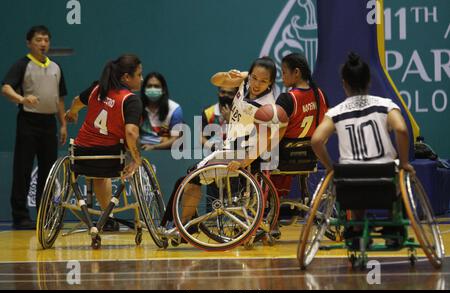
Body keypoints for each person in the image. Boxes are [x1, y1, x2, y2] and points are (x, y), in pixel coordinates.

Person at [162, 57, 286, 239]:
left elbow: (267, 140)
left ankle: (185, 228)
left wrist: (244, 161)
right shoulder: (245, 81)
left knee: (191, 178)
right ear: (250, 74)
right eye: (254, 78)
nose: (257, 84)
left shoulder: (267, 107)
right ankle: (186, 225)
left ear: (271, 83)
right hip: (231, 145)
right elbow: (215, 81)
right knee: (188, 177)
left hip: (242, 152)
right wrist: (226, 75)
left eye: (263, 81)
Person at [311, 52, 415, 247]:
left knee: (354, 187)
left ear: (344, 83)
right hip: (384, 178)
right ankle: (394, 227)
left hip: (350, 182)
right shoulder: (385, 105)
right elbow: (401, 129)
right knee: (398, 177)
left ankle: (357, 230)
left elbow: (316, 140)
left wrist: (331, 168)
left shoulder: (335, 112)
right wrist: (405, 162)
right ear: (368, 81)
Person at [65, 54, 143, 231]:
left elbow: (77, 101)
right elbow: (131, 133)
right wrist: (137, 159)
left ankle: (107, 216)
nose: (141, 78)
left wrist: (72, 113)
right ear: (126, 77)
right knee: (104, 171)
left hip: (81, 155)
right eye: (139, 74)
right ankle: (108, 216)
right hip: (110, 157)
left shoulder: (97, 89)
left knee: (99, 176)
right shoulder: (130, 100)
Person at [1, 25, 67, 230]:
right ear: (29, 43)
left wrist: (63, 123)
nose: (43, 43)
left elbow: (59, 98)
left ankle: (44, 214)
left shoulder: (55, 67)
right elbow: (5, 87)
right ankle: (20, 217)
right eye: (38, 40)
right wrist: (22, 98)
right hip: (28, 122)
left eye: (46, 40)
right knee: (23, 169)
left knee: (48, 172)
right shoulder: (22, 65)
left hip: (49, 124)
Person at [270, 52, 329, 198]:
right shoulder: (321, 95)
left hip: (284, 159)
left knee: (254, 154)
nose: (282, 77)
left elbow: (276, 134)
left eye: (284, 73)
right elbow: (326, 130)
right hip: (311, 158)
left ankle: (263, 203)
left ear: (296, 72)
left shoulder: (287, 99)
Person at [139, 72, 183, 150]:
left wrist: (154, 147)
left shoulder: (174, 109)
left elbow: (175, 139)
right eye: (149, 86)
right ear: (144, 89)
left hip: (166, 153)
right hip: (141, 151)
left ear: (163, 90)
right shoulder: (136, 107)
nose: (152, 89)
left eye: (156, 86)